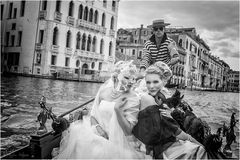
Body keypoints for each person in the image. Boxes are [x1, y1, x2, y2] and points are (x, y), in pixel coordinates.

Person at [55, 61, 148, 159]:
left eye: (133, 78)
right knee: (81, 142)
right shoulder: (104, 92)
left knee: (97, 152)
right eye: (126, 77)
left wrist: (117, 110)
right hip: (98, 133)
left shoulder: (133, 98)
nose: (131, 82)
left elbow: (128, 130)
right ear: (116, 77)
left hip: (119, 141)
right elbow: (93, 115)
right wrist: (99, 129)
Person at [133, 61, 208, 159]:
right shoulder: (153, 102)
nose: (151, 86)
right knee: (199, 150)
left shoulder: (146, 97)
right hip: (159, 147)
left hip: (149, 142)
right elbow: (176, 131)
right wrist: (200, 144)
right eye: (149, 82)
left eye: (156, 82)